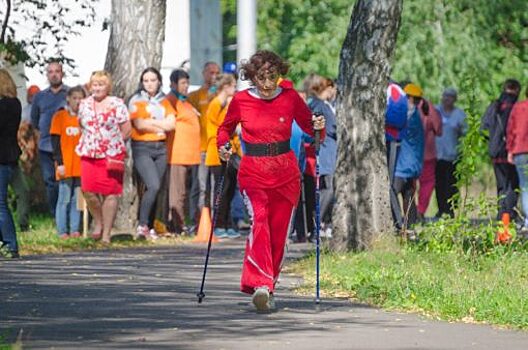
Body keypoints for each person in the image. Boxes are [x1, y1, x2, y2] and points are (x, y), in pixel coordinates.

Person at [217, 50, 325, 312]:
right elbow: (224, 129)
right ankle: (262, 284)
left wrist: (318, 127)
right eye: (261, 77)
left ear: (279, 75)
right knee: (260, 222)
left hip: (285, 173)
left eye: (272, 77)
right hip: (253, 171)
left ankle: (268, 288)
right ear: (252, 76)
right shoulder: (241, 100)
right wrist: (223, 146)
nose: (266, 84)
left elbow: (310, 131)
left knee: (278, 233)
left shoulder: (290, 98)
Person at [76, 71, 131, 244]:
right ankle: (99, 221)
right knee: (87, 190)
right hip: (89, 152)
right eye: (95, 84)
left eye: (101, 84)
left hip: (111, 155)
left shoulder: (117, 104)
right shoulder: (84, 104)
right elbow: (80, 125)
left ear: (108, 87)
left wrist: (114, 145)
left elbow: (127, 128)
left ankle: (106, 234)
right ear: (90, 86)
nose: (97, 88)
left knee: (110, 193)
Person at [129, 67, 176, 240]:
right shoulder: (136, 100)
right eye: (146, 80)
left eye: (153, 80)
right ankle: (142, 225)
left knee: (157, 188)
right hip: (142, 147)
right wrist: (160, 123)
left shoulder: (164, 101)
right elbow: (139, 125)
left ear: (159, 81)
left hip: (161, 147)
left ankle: (151, 224)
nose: (149, 84)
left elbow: (172, 125)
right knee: (153, 185)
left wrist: (152, 122)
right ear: (142, 82)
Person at [205, 73, 241, 239]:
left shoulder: (228, 104)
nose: (235, 89)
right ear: (226, 87)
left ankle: (227, 223)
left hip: (231, 150)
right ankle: (219, 223)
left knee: (230, 189)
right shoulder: (216, 104)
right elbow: (219, 127)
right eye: (233, 86)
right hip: (217, 151)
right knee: (222, 189)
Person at [165, 69, 201, 235]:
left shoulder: (185, 102)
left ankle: (184, 222)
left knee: (186, 193)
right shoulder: (170, 100)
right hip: (178, 154)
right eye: (182, 83)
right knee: (177, 192)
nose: (186, 86)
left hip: (192, 154)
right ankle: (177, 225)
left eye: (187, 82)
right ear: (173, 84)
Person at [31, 61, 68, 216]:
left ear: (62, 73)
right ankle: (54, 214)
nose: (54, 74)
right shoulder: (39, 97)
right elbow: (35, 120)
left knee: (66, 182)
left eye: (57, 71)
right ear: (47, 75)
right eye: (50, 72)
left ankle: (66, 214)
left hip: (66, 145)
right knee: (50, 181)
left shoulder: (70, 94)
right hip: (46, 145)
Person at [188, 62, 221, 231]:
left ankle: (215, 221)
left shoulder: (221, 96)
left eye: (217, 73)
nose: (213, 76)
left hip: (216, 147)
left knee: (216, 186)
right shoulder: (195, 95)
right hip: (200, 147)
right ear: (203, 73)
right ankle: (197, 220)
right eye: (210, 72)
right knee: (200, 186)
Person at [482, 79, 521, 222]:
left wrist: (492, 141)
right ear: (517, 90)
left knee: (501, 186)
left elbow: (483, 129)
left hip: (496, 153)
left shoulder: (494, 106)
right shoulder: (517, 106)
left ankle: (501, 215)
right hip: (512, 151)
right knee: (513, 185)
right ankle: (508, 216)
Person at [50, 86, 85, 239]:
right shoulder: (60, 116)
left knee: (77, 199)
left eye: (80, 98)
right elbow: (55, 142)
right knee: (64, 198)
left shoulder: (84, 118)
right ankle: (62, 230)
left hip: (80, 164)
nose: (77, 101)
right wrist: (60, 163)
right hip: (66, 164)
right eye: (75, 98)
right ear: (68, 99)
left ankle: (75, 229)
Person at [403, 83, 442, 220]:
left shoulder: (404, 107)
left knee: (409, 185)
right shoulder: (428, 108)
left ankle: (411, 213)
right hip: (427, 154)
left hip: (409, 154)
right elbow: (439, 130)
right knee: (427, 184)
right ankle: (420, 211)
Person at [307, 76, 337, 238]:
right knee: (328, 189)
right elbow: (332, 128)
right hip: (327, 152)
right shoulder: (321, 106)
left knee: (327, 188)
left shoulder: (317, 104)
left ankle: (322, 224)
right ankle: (318, 223)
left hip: (326, 151)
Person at [392, 90, 425, 231]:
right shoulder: (415, 115)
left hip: (404, 165)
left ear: (411, 99)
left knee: (393, 191)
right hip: (412, 165)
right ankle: (410, 226)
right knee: (408, 194)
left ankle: (397, 222)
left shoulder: (410, 117)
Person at [9, 85, 40, 231]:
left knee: (23, 191)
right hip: (9, 157)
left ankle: (22, 224)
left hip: (12, 158)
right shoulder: (18, 108)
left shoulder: (14, 106)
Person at [0, 69, 22, 258]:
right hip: (9, 158)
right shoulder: (15, 104)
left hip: (2, 158)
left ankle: (10, 243)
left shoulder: (6, 106)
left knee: (0, 204)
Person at [435, 88, 466, 217]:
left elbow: (466, 132)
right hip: (437, 155)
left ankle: (451, 208)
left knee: (451, 184)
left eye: (450, 96)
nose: (447, 99)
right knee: (439, 184)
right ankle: (441, 208)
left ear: (455, 99)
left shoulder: (459, 114)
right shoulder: (436, 111)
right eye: (445, 96)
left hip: (453, 155)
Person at [506, 85, 528, 236]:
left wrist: (510, 150)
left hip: (520, 150)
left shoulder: (519, 107)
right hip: (521, 149)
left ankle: (527, 221)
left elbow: (512, 130)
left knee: (525, 186)